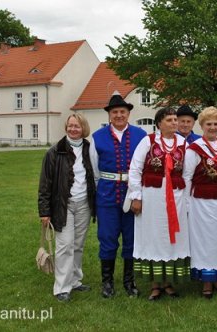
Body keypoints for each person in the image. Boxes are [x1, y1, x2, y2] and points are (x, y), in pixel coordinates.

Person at [127, 107, 190, 301]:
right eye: (170, 120)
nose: (174, 123)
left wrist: (186, 200)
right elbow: (135, 169)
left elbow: (187, 172)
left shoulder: (183, 143)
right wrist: (136, 196)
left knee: (172, 236)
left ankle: (168, 283)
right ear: (159, 123)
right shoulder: (148, 141)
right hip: (152, 197)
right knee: (154, 236)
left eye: (175, 119)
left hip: (176, 196)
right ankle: (155, 284)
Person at [90, 93, 147, 298]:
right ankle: (107, 282)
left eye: (122, 111)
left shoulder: (141, 135)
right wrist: (100, 191)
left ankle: (129, 281)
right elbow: (95, 171)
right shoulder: (98, 137)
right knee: (107, 238)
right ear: (109, 115)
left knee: (131, 238)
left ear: (128, 113)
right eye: (115, 112)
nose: (119, 115)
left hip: (133, 193)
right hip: (107, 194)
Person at [38, 113, 97, 302]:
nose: (73, 129)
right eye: (70, 126)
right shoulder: (55, 152)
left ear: (84, 128)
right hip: (62, 205)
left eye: (77, 126)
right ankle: (61, 287)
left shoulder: (90, 149)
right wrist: (44, 211)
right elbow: (45, 184)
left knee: (78, 245)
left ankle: (75, 280)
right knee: (64, 245)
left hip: (84, 204)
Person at [183, 106, 217, 298]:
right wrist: (187, 205)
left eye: (216, 124)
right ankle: (207, 279)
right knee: (205, 239)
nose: (212, 127)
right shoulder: (194, 148)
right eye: (208, 124)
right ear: (202, 125)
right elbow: (187, 177)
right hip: (202, 202)